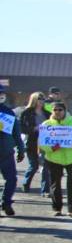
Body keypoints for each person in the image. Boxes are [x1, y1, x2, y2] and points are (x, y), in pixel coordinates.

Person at [40, 100, 72, 217]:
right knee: (55, 184)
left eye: (60, 110)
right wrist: (51, 148)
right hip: (53, 159)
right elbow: (42, 143)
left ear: (65, 111)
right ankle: (57, 208)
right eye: (55, 110)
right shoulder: (46, 124)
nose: (57, 112)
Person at [0, 84, 26, 216]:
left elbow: (16, 132)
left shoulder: (8, 112)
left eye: (2, 93)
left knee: (11, 179)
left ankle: (6, 202)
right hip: (5, 151)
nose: (1, 96)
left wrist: (21, 149)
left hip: (6, 152)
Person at [19, 91, 50, 194]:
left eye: (43, 99)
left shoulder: (47, 113)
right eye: (39, 99)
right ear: (34, 100)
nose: (41, 101)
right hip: (32, 142)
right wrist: (34, 128)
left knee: (46, 166)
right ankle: (26, 183)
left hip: (45, 142)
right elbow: (21, 128)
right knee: (34, 166)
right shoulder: (26, 112)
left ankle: (45, 190)